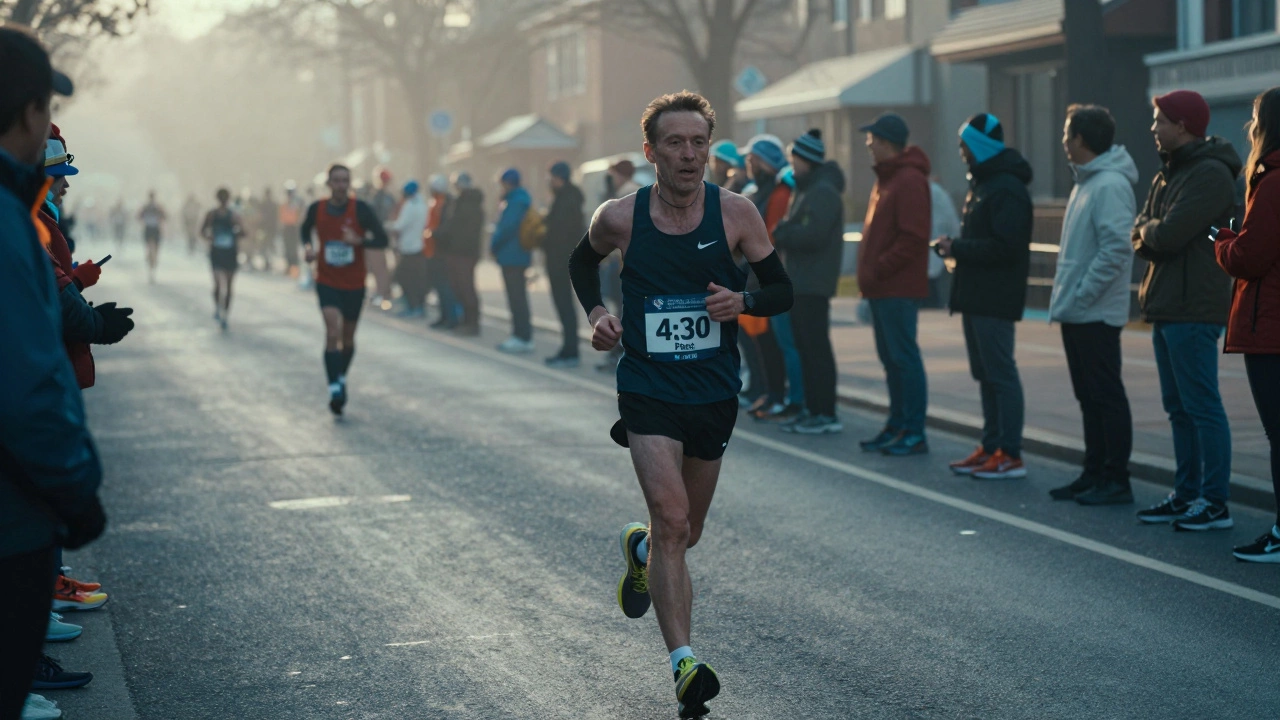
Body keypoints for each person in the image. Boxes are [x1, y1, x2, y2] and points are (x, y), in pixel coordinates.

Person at [567, 91, 792, 718]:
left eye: (699, 142)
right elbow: (579, 263)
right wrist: (597, 313)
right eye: (675, 143)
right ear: (651, 152)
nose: (689, 154)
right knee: (670, 518)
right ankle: (684, 663)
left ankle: (641, 552)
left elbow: (782, 290)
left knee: (684, 533)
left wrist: (742, 305)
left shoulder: (738, 214)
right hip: (648, 389)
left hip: (714, 391)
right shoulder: (620, 217)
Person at [0, 26, 105, 720]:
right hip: (13, 514)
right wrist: (78, 493)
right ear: (32, 112)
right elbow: (27, 386)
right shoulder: (8, 220)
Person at [1132, 90, 1241, 530]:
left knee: (1202, 406)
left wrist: (1148, 231)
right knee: (1177, 407)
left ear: (1182, 125)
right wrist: (1148, 231)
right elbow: (1140, 229)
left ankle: (1214, 502)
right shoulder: (1168, 171)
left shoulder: (1210, 174)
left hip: (1194, 305)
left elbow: (1168, 234)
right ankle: (1187, 493)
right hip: (1166, 303)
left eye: (1160, 120)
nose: (1153, 127)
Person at [1048, 105, 1138, 505]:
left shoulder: (1109, 185)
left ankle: (1116, 478)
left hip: (1096, 311)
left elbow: (1117, 249)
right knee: (1088, 396)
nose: (1064, 141)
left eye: (1068, 134)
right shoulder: (1085, 182)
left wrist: (1083, 294)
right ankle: (1094, 471)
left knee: (1105, 395)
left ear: (1081, 139)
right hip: (1078, 309)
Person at [935, 114, 1033, 479]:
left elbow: (1006, 247)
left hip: (994, 297)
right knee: (986, 374)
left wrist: (956, 247)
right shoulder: (986, 183)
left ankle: (1010, 452)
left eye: (965, 145)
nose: (961, 152)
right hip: (976, 295)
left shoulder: (1006, 188)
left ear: (980, 147)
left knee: (1000, 374)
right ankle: (991, 445)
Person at [1215, 87, 1280, 561]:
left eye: (1256, 118)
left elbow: (1250, 257)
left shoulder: (1274, 180)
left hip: (1271, 327)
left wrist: (1224, 241)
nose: (1250, 127)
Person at [855, 113, 932, 455]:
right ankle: (898, 424)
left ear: (887, 142)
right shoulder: (887, 179)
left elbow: (914, 238)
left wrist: (878, 269)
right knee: (892, 360)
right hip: (882, 288)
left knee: (903, 359)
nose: (868, 147)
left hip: (897, 288)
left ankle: (913, 430)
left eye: (872, 142)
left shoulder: (909, 180)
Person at [299, 163, 390, 415]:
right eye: (336, 180)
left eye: (345, 180)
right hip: (327, 280)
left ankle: (340, 376)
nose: (341, 185)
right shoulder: (316, 208)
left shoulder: (361, 210)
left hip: (354, 283)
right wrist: (308, 247)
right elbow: (304, 229)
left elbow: (382, 239)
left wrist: (359, 241)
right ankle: (334, 388)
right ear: (328, 184)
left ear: (349, 184)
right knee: (332, 331)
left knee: (347, 339)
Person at [772, 129, 846, 435]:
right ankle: (812, 410)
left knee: (816, 350)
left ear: (807, 160)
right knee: (805, 347)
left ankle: (824, 413)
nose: (792, 165)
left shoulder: (822, 191)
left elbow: (812, 235)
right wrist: (787, 229)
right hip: (801, 282)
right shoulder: (808, 188)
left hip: (813, 284)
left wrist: (783, 232)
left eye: (794, 159)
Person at [741, 136, 805, 423]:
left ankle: (780, 396)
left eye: (752, 160)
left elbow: (769, 237)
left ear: (764, 162)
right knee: (760, 342)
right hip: (754, 277)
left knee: (775, 344)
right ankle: (770, 391)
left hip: (770, 279)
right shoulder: (760, 191)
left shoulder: (779, 193)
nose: (749, 165)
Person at [597, 159, 642, 372]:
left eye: (612, 174)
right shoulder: (627, 191)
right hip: (620, 260)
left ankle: (623, 354)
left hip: (624, 262)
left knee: (624, 309)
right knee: (620, 307)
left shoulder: (628, 193)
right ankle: (620, 352)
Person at [544, 160, 586, 368]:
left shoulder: (566, 200)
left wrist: (542, 236)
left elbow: (559, 233)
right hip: (561, 259)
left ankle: (571, 351)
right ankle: (568, 348)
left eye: (551, 177)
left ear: (559, 178)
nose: (548, 182)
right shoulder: (567, 198)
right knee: (564, 306)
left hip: (560, 260)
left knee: (564, 305)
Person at [491, 168, 535, 354]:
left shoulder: (515, 201)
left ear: (508, 183)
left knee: (516, 297)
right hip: (517, 255)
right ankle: (521, 334)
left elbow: (506, 228)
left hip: (512, 255)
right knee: (518, 296)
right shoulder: (520, 199)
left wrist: (493, 244)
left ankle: (521, 336)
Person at [437, 172, 484, 336]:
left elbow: (455, 227)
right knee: (458, 286)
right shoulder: (459, 203)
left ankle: (472, 322)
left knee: (466, 286)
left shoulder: (469, 204)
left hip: (464, 252)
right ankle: (466, 320)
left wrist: (440, 234)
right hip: (456, 251)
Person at [201, 188, 244, 331]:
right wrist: (210, 237)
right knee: (220, 284)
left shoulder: (233, 216)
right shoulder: (212, 215)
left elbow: (243, 232)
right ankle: (220, 309)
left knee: (227, 286)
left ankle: (224, 312)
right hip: (218, 253)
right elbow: (203, 231)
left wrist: (237, 232)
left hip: (229, 253)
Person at [389, 179, 429, 318]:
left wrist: (387, 226)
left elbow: (400, 225)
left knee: (403, 278)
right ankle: (418, 306)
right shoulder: (423, 205)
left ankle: (413, 306)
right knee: (417, 279)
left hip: (409, 248)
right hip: (420, 247)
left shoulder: (410, 206)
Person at [424, 175, 458, 329]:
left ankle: (450, 317)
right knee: (439, 286)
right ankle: (444, 316)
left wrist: (433, 233)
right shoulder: (437, 203)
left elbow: (446, 229)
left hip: (440, 251)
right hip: (432, 250)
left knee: (444, 286)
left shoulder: (445, 204)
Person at [367, 168, 397, 309]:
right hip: (389, 234)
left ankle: (382, 294)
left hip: (377, 236)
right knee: (384, 267)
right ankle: (385, 292)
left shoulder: (376, 196)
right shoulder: (390, 197)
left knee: (379, 267)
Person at [138, 190, 167, 283]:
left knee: (151, 248)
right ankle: (152, 263)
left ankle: (151, 261)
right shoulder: (157, 207)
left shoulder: (147, 207)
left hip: (149, 229)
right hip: (154, 229)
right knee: (154, 249)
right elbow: (165, 217)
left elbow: (139, 217)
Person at [279, 180, 305, 279]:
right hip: (286, 227)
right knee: (287, 248)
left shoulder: (297, 202)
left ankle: (294, 270)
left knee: (293, 249)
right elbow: (281, 215)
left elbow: (300, 214)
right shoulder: (284, 201)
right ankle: (288, 267)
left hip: (294, 228)